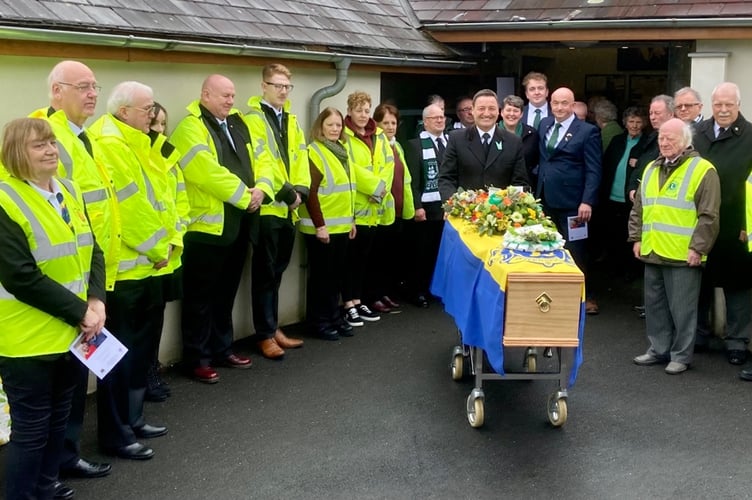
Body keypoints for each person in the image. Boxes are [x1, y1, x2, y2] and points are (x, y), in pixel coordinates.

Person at [0, 117, 106, 500]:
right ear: (15, 153)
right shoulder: (4, 199)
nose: (50, 150)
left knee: (59, 419)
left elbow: (93, 248)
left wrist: (96, 300)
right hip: (27, 340)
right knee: (31, 429)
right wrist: (82, 311)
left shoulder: (69, 190)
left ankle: (46, 486)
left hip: (75, 333)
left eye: (52, 143)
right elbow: (20, 276)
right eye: (38, 145)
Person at [29, 60, 114, 482]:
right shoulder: (45, 134)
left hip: (86, 278)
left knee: (73, 384)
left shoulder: (83, 136)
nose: (93, 93)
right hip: (58, 292)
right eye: (83, 87)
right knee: (52, 395)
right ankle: (52, 467)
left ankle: (64, 458)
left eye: (95, 86)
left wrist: (96, 293)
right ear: (56, 91)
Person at [89, 81, 177, 460]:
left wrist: (170, 242)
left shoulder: (138, 141)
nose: (153, 114)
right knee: (116, 359)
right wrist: (162, 245)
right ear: (124, 112)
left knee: (138, 354)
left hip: (146, 266)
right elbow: (130, 205)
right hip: (124, 271)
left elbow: (164, 195)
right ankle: (116, 433)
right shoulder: (111, 143)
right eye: (147, 108)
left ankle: (133, 419)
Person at [170, 75, 260, 383]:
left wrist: (262, 188)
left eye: (233, 95)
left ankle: (223, 349)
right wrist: (245, 195)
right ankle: (196, 358)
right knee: (199, 299)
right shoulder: (190, 128)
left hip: (239, 223)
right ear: (205, 94)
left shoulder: (235, 123)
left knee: (226, 294)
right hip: (207, 229)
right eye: (224, 95)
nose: (230, 101)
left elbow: (258, 160)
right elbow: (205, 172)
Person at [629, 118, 720, 374]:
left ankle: (681, 355)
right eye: (661, 138)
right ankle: (659, 349)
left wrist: (698, 248)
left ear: (685, 141)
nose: (665, 143)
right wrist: (636, 238)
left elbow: (709, 215)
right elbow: (640, 208)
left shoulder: (702, 170)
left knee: (683, 310)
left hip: (683, 254)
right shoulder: (651, 168)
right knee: (655, 306)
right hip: (653, 249)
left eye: (671, 138)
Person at [244, 63, 309, 359]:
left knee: (278, 273)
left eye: (286, 86)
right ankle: (264, 334)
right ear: (264, 86)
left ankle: (273, 328)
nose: (283, 91)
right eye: (277, 85)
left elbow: (300, 157)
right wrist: (286, 193)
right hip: (270, 206)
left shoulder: (291, 120)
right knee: (265, 273)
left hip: (289, 209)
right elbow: (261, 159)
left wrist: (301, 193)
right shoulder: (253, 118)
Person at [693, 82, 752, 369]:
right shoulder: (697, 132)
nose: (724, 109)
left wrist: (748, 225)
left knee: (738, 285)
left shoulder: (751, 135)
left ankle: (737, 341)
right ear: (711, 105)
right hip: (700, 221)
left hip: (736, 223)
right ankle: (699, 335)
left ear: (738, 105)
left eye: (729, 104)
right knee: (699, 281)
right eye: (718, 104)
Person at [536, 87, 602, 314]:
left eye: (564, 103)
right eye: (555, 103)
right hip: (546, 199)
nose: (559, 108)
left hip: (575, 205)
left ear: (573, 105)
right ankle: (554, 296)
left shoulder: (587, 131)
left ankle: (585, 296)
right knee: (547, 249)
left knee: (577, 250)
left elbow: (594, 170)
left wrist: (587, 201)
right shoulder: (544, 125)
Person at [144, 102, 189, 402]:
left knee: (156, 318)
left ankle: (151, 370)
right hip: (146, 254)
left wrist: (175, 238)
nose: (158, 130)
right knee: (140, 323)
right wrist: (159, 245)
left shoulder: (169, 156)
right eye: (152, 123)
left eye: (162, 124)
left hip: (169, 253)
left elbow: (181, 202)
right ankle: (143, 376)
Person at [298, 107, 357, 340]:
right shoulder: (314, 151)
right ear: (320, 127)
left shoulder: (342, 150)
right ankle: (319, 322)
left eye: (338, 125)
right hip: (320, 228)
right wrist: (320, 225)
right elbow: (311, 193)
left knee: (335, 277)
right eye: (330, 125)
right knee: (321, 278)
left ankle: (334, 317)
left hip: (342, 225)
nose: (335, 129)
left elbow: (348, 189)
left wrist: (352, 220)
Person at [342, 91, 393, 326]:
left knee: (365, 259)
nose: (363, 115)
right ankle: (348, 302)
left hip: (376, 208)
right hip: (356, 206)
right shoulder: (343, 135)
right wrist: (375, 188)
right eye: (358, 110)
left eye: (366, 110)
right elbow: (349, 166)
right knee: (350, 260)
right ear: (350, 110)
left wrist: (380, 191)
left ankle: (359, 299)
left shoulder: (380, 135)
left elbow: (388, 164)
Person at [438, 88, 529, 201]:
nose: (487, 113)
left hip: (501, 214)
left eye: (491, 108)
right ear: (473, 111)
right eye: (481, 108)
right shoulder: (456, 139)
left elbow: (520, 182)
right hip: (465, 213)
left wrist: (509, 206)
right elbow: (446, 178)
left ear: (498, 111)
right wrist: (453, 204)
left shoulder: (513, 142)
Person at [371, 103, 415, 313]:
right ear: (377, 123)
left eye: (393, 123)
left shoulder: (396, 146)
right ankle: (374, 295)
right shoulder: (376, 144)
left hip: (397, 210)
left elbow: (404, 179)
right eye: (385, 122)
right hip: (381, 212)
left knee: (389, 258)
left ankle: (385, 292)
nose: (390, 127)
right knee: (377, 258)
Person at [405, 102, 448, 308]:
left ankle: (433, 289)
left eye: (442, 117)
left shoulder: (450, 142)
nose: (440, 120)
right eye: (435, 118)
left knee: (438, 252)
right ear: (425, 122)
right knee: (420, 253)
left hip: (445, 207)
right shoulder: (415, 145)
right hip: (425, 208)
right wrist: (416, 206)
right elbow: (411, 179)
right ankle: (417, 291)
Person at [599, 106, 649, 279]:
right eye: (631, 121)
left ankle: (629, 272)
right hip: (611, 197)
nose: (634, 125)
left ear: (644, 124)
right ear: (625, 123)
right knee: (612, 234)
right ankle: (612, 269)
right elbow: (605, 165)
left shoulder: (647, 143)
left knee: (629, 237)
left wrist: (640, 163)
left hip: (631, 201)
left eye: (638, 122)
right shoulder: (617, 140)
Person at [627, 95, 675, 202]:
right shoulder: (652, 137)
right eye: (650, 113)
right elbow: (640, 164)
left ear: (671, 114)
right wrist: (632, 187)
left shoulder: (678, 140)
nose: (652, 117)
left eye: (657, 113)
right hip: (642, 196)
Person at [499, 94, 540, 187]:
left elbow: (536, 161)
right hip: (498, 185)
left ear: (521, 114)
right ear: (501, 112)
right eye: (508, 110)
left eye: (516, 111)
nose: (512, 114)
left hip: (523, 185)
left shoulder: (531, 134)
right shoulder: (493, 133)